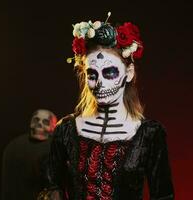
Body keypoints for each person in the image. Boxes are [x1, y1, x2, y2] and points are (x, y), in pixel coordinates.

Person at [40, 12, 174, 200]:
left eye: (109, 73)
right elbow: (51, 187)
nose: (100, 83)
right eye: (92, 75)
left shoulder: (150, 134)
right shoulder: (66, 130)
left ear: (129, 72)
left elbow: (163, 196)